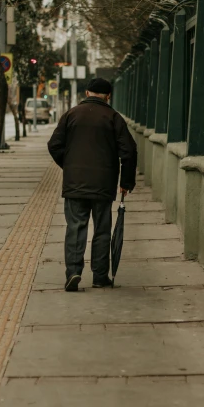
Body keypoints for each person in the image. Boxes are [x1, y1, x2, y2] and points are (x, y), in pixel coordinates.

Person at [47, 77, 137, 292]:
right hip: (103, 184)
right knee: (102, 230)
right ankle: (99, 276)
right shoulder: (113, 117)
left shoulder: (71, 115)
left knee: (75, 227)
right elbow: (129, 151)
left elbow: (54, 145)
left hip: (75, 183)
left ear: (86, 93)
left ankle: (74, 272)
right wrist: (126, 182)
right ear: (108, 96)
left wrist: (68, 166)